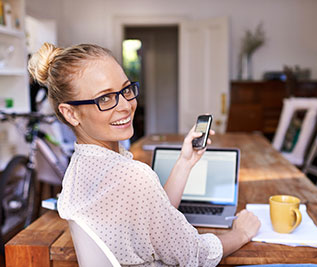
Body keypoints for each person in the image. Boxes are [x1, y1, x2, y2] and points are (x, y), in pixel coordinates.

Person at [28, 42, 261, 266]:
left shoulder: (78, 170)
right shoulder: (131, 176)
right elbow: (195, 256)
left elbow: (152, 218)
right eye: (105, 98)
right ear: (71, 114)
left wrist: (185, 162)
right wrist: (241, 233)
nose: (126, 106)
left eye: (125, 89)